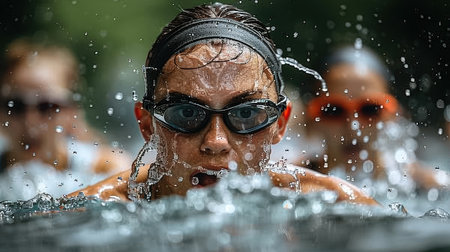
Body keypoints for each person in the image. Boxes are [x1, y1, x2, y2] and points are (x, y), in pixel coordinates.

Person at [69, 3, 377, 205]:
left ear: (280, 124)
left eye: (246, 114)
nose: (216, 142)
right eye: (187, 113)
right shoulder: (85, 213)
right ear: (147, 124)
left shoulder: (337, 205)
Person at [301, 45, 449, 197]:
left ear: (394, 115)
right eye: (334, 110)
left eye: (370, 109)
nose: (353, 126)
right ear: (311, 120)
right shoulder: (292, 182)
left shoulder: (431, 187)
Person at [0, 39, 131, 200]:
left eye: (46, 106)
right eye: (16, 106)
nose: (30, 121)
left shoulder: (106, 169)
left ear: (70, 113)